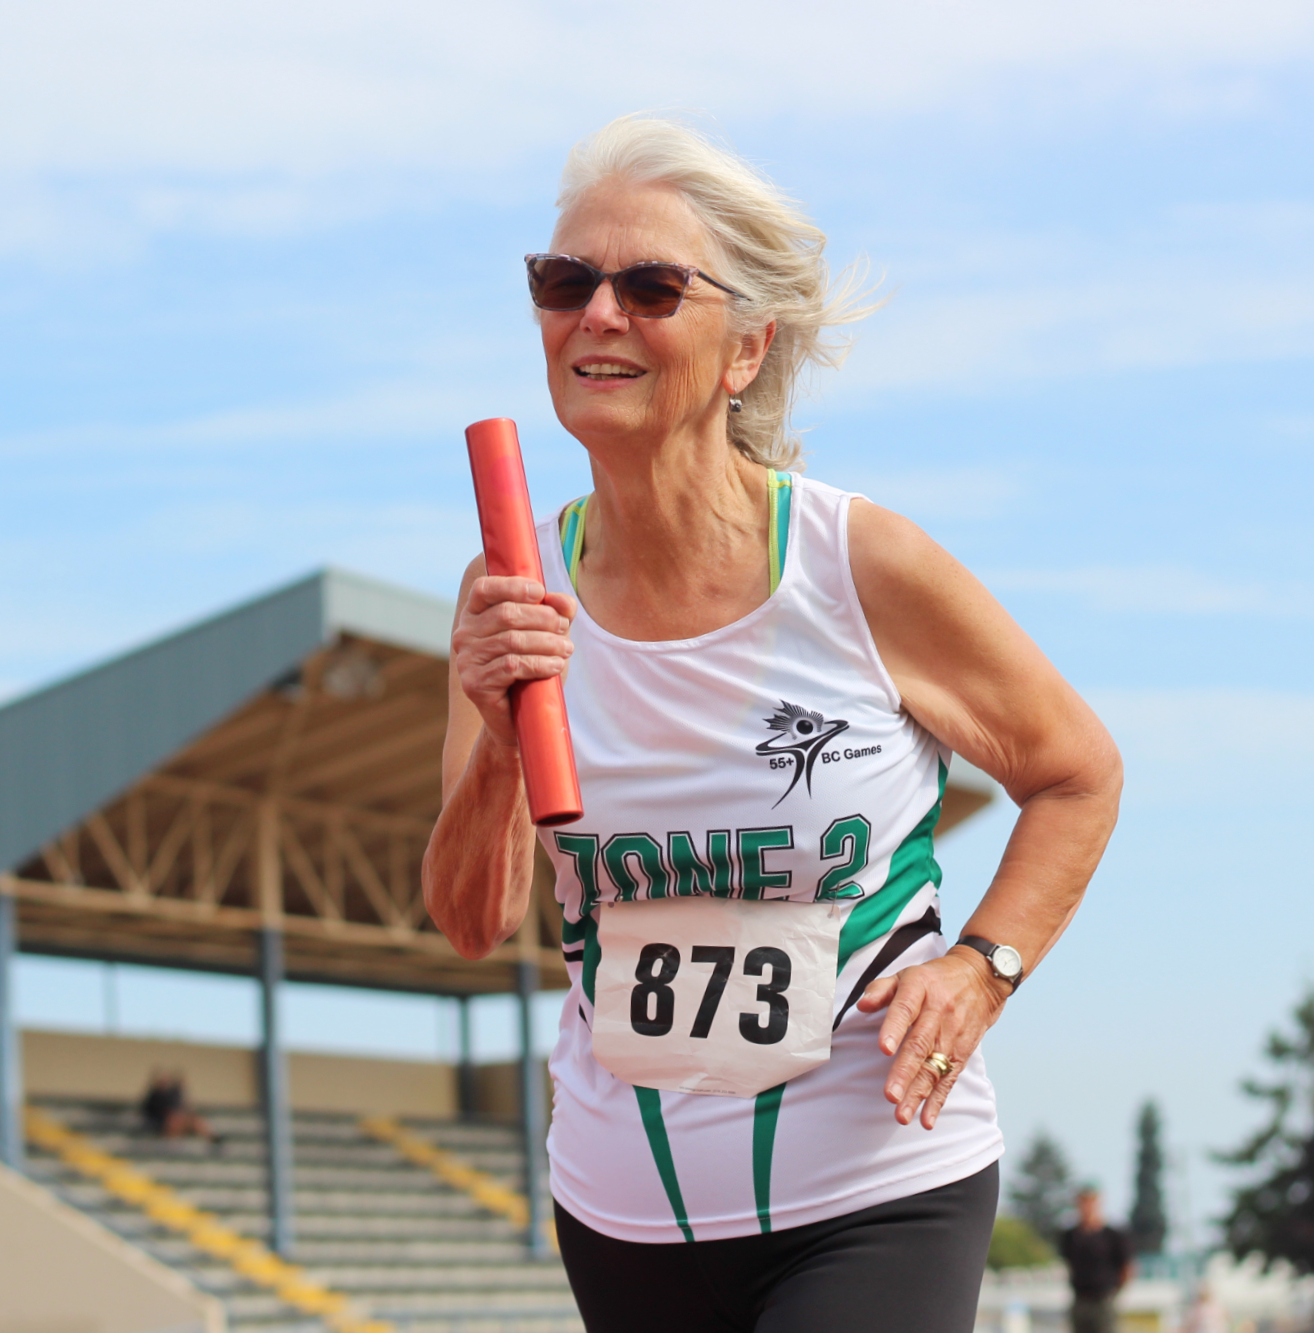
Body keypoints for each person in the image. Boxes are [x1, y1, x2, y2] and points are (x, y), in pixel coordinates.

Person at [423, 114, 1121, 1333]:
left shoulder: (860, 566)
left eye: (649, 287)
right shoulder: (511, 589)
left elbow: (1076, 774)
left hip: (874, 1184)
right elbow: (471, 920)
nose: (597, 315)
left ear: (745, 348)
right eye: (564, 282)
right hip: (622, 1213)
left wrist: (982, 965)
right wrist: (493, 733)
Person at [1059, 1187, 1135, 1333]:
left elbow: (1127, 1268)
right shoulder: (1070, 1236)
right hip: (1080, 1299)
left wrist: (1114, 1293)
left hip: (1104, 1299)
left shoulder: (1113, 1235)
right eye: (1083, 1202)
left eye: (1091, 1202)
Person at [138, 1069, 214, 1146]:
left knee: (195, 1120)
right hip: (161, 1122)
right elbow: (149, 1112)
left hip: (178, 1118)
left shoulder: (174, 1094)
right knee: (174, 1121)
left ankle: (211, 1139)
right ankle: (171, 1145)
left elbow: (183, 1107)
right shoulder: (153, 1097)